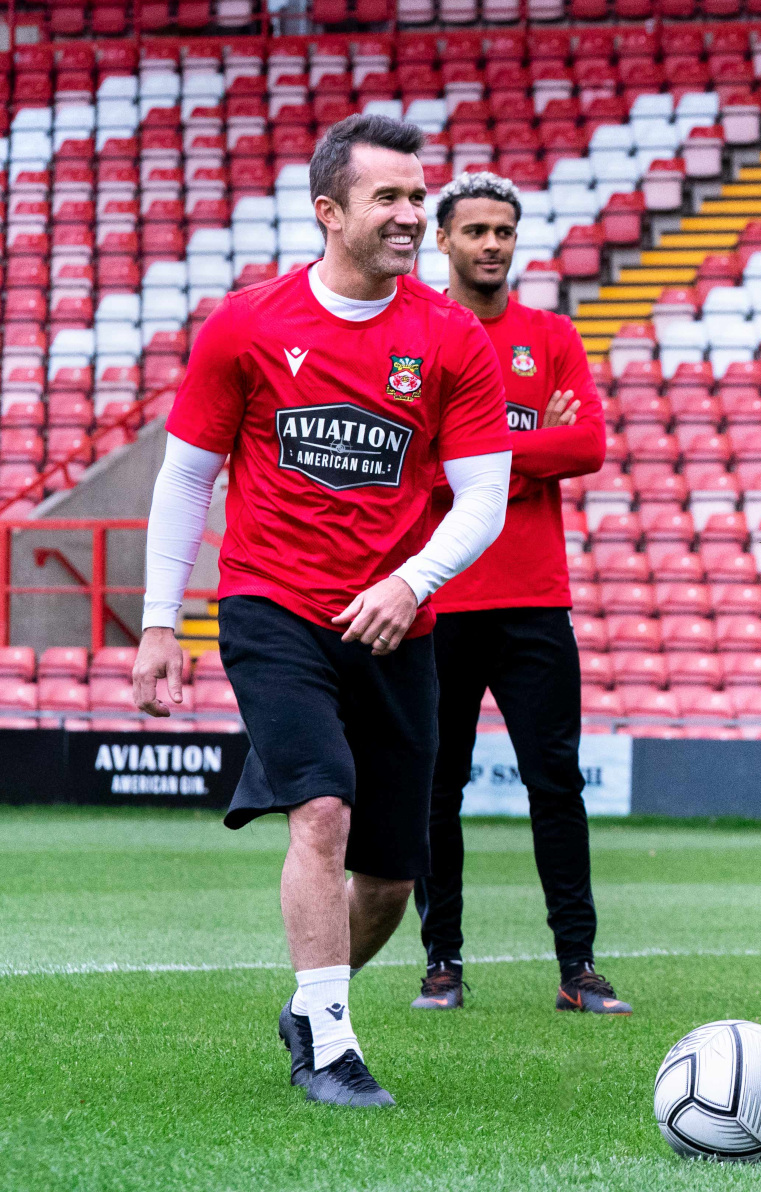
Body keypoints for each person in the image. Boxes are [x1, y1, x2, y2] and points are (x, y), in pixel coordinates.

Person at [131, 115, 512, 1106]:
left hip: (395, 622)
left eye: (418, 196)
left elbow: (484, 496)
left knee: (389, 877)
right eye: (389, 197)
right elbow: (186, 476)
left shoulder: (451, 336)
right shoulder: (246, 325)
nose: (412, 214)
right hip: (272, 605)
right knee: (322, 807)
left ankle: (310, 1004)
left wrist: (412, 581)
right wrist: (160, 620)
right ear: (329, 211)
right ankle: (332, 1046)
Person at [407, 172, 627, 1016]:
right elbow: (416, 465)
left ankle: (579, 968)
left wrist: (475, 455)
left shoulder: (551, 335)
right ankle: (442, 963)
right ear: (444, 240)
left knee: (556, 785)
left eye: (503, 230)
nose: (491, 244)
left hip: (535, 599)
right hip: (440, 596)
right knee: (437, 791)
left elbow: (590, 446)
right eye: (475, 231)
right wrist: (533, 446)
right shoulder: (417, 334)